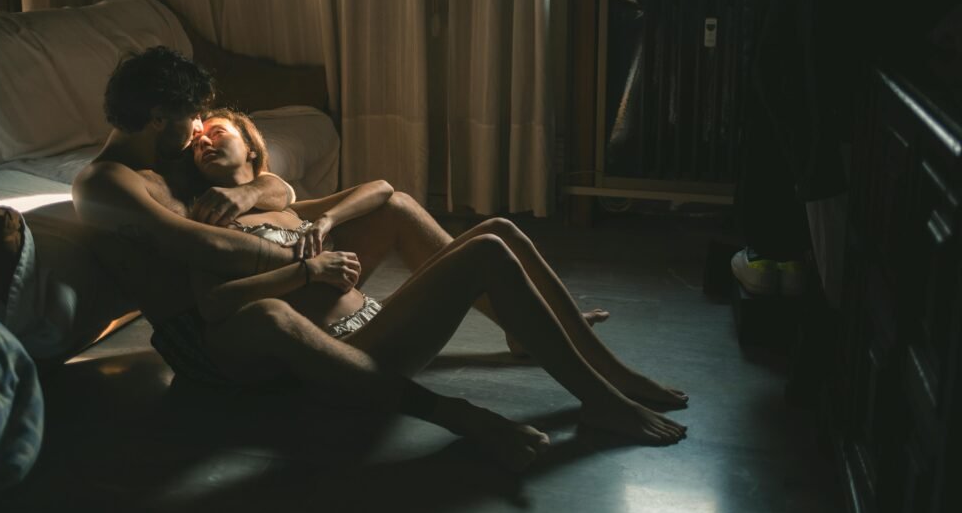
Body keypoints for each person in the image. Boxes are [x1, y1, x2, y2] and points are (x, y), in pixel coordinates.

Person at [73, 48, 687, 472]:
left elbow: (275, 189)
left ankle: (603, 369)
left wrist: (261, 199)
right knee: (486, 248)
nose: (201, 128)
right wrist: (304, 256)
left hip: (281, 300)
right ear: (157, 118)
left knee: (452, 221)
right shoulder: (108, 184)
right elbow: (204, 248)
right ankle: (594, 396)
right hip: (216, 336)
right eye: (190, 119)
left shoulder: (171, 158)